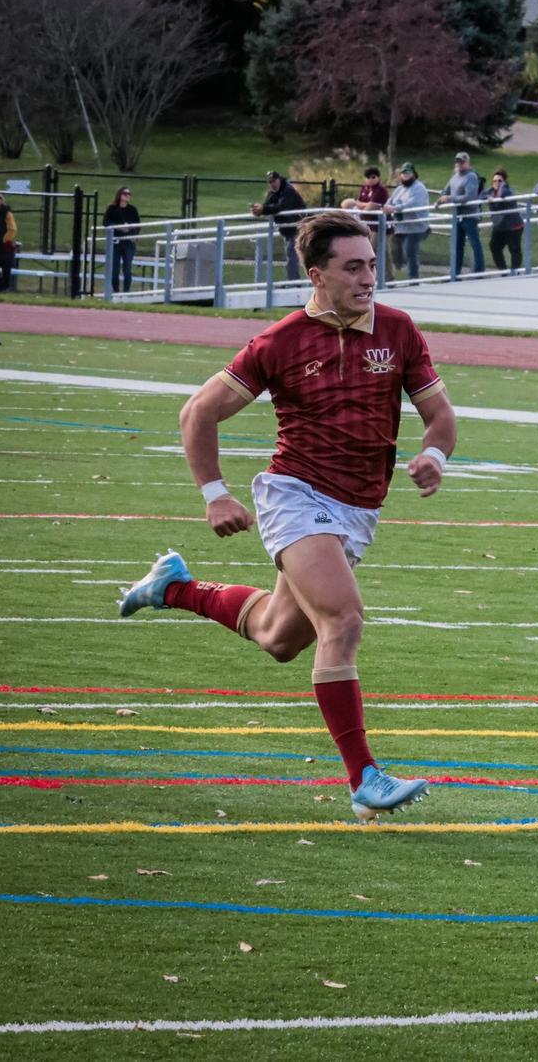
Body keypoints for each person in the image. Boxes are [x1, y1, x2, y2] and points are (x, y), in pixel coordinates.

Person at [117, 212, 457, 822]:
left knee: (279, 636)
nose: (368, 277)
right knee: (344, 619)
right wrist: (215, 493)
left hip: (357, 509)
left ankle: (173, 587)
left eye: (373, 264)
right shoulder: (282, 341)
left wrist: (433, 454)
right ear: (316, 274)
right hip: (295, 494)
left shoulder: (400, 331)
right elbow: (198, 411)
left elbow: (441, 415)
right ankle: (364, 779)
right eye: (353, 267)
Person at [251, 171, 306, 281]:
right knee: (291, 255)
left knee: (292, 254)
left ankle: (293, 282)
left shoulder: (288, 190)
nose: (273, 184)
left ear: (279, 179)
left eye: (274, 181)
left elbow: (282, 207)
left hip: (298, 227)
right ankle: (293, 281)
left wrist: (264, 209)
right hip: (287, 229)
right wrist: (259, 209)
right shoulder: (272, 193)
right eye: (270, 182)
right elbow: (267, 205)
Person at [438, 152, 485, 277]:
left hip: (469, 216)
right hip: (456, 216)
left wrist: (450, 198)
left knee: (475, 243)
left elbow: (469, 196)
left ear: (467, 163)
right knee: (457, 245)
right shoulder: (454, 176)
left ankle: (479, 272)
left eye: (462, 162)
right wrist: (440, 199)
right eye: (457, 161)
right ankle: (455, 273)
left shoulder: (471, 177)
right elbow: (445, 190)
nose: (459, 164)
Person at [382, 163, 430, 281]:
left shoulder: (419, 188)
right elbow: (389, 201)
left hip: (417, 227)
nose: (405, 176)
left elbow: (412, 204)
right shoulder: (399, 189)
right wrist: (387, 207)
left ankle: (413, 279)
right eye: (403, 174)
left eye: (408, 174)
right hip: (401, 227)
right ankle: (398, 275)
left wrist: (395, 208)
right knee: (400, 252)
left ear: (414, 174)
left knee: (410, 251)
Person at [485, 168, 525, 274]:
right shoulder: (490, 191)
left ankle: (515, 272)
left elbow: (504, 195)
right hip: (499, 226)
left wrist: (501, 189)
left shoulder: (508, 190)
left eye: (500, 181)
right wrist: (488, 197)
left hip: (513, 226)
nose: (496, 183)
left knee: (514, 249)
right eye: (494, 181)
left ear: (505, 182)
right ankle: (503, 272)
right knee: (494, 246)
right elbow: (481, 195)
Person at [102, 186, 141, 293]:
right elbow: (106, 222)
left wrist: (134, 234)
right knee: (114, 269)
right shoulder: (112, 208)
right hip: (115, 242)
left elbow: (138, 225)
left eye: (129, 194)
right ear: (119, 195)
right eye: (125, 193)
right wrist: (119, 227)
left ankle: (126, 291)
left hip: (128, 242)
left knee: (127, 268)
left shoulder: (132, 209)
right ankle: (116, 291)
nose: (128, 196)